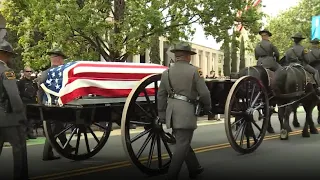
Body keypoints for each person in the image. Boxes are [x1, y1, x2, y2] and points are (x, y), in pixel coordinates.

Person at [157, 42, 212, 180]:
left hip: (172, 112)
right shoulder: (195, 71)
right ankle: (171, 175)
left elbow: (161, 95)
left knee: (183, 141)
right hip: (186, 112)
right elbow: (204, 93)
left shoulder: (166, 73)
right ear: (188, 56)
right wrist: (207, 107)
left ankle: (195, 168)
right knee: (182, 144)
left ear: (176, 56)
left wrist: (162, 113)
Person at [38, 48, 75, 161]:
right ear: (59, 59)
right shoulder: (63, 73)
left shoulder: (44, 73)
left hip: (46, 103)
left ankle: (66, 147)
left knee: (57, 126)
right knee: (55, 128)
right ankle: (47, 153)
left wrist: (41, 104)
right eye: (62, 59)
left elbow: (39, 91)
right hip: (58, 105)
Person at [0, 40, 29, 179]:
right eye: (9, 55)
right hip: (9, 117)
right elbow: (13, 95)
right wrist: (21, 114)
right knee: (19, 148)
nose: (10, 59)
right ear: (3, 55)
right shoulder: (7, 72)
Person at [17, 66, 38, 139]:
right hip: (24, 102)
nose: (29, 73)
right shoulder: (20, 82)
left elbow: (36, 91)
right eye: (27, 71)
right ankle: (24, 134)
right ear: (24, 72)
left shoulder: (33, 82)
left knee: (31, 119)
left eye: (30, 71)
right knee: (24, 118)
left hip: (32, 102)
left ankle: (30, 133)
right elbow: (18, 92)